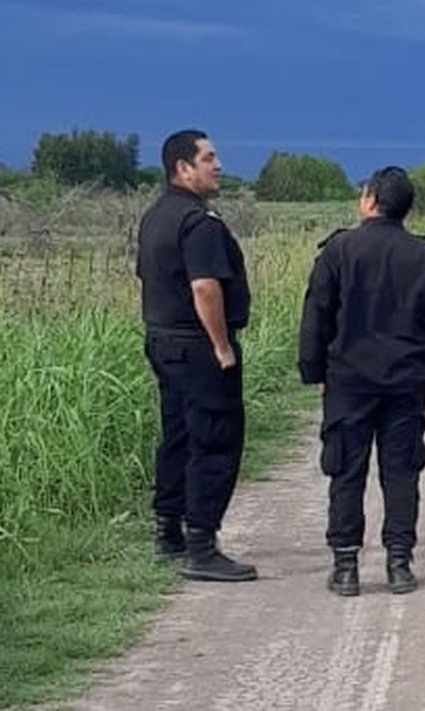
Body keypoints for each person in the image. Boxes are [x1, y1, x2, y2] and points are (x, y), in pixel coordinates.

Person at [298, 167, 425, 596]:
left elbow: (316, 315)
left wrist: (314, 371)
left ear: (369, 200)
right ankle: (399, 563)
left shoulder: (338, 251)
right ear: (407, 207)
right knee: (401, 470)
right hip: (406, 382)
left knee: (346, 470)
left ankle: (347, 566)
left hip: (348, 381)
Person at [136, 129, 257, 581]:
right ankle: (202, 545)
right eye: (208, 158)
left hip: (163, 340)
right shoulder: (198, 222)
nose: (218, 165)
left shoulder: (155, 217)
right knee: (214, 440)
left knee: (178, 435)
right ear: (183, 168)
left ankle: (168, 530)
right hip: (197, 345)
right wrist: (221, 345)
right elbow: (205, 287)